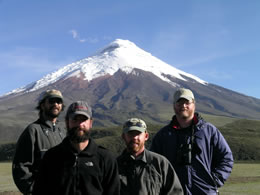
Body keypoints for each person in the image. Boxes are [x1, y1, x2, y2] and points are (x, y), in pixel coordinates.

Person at [150, 88, 234, 195]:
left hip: (205, 192)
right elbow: (153, 165)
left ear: (194, 104)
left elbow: (226, 158)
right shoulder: (163, 135)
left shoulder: (208, 131)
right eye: (179, 103)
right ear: (174, 105)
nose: (183, 106)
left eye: (187, 102)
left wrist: (214, 180)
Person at [33, 101, 120, 195]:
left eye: (83, 120)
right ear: (67, 122)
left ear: (91, 123)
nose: (79, 125)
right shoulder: (52, 157)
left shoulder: (106, 158)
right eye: (75, 120)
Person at [12, 89, 66, 194]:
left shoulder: (62, 132)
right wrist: (33, 191)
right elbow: (21, 168)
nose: (55, 104)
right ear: (42, 105)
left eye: (58, 101)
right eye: (51, 101)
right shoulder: (32, 130)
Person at [117, 118, 183, 195]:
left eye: (138, 133)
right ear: (123, 136)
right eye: (130, 134)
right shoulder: (114, 166)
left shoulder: (160, 163)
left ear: (146, 136)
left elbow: (175, 192)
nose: (134, 137)